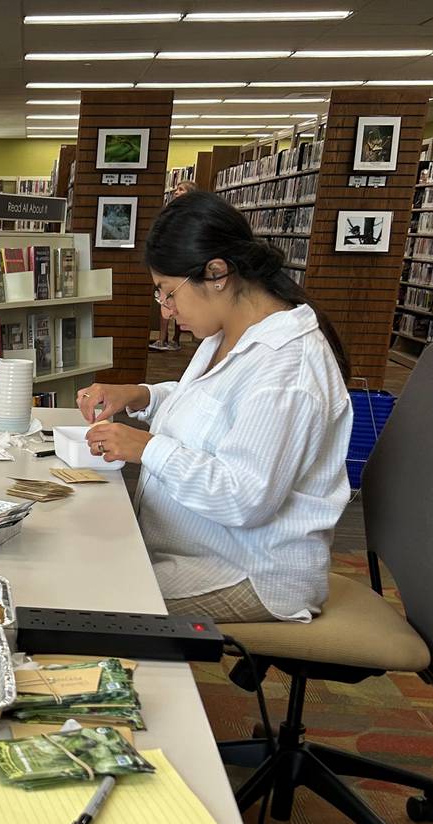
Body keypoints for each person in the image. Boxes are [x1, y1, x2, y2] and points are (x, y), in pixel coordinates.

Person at [77, 189, 352, 624]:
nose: (165, 312)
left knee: (85, 597)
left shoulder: (288, 370)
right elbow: (211, 409)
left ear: (217, 273)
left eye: (168, 293)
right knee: (75, 556)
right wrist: (141, 395)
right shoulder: (229, 335)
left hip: (252, 570)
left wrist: (146, 448)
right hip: (198, 548)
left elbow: (244, 499)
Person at [150, 179, 195, 352]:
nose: (176, 192)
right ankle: (162, 339)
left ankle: (175, 339)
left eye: (181, 190)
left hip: (182, 263)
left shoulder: (192, 215)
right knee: (165, 302)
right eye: (176, 189)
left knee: (177, 305)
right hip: (169, 260)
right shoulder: (171, 212)